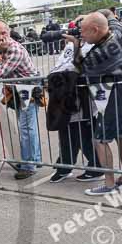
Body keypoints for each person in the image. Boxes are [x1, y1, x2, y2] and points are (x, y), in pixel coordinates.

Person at [68, 12, 122, 196]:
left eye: (83, 31)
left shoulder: (101, 53)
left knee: (100, 139)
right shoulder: (118, 29)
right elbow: (108, 13)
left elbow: (79, 67)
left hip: (114, 94)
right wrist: (84, 17)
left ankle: (109, 184)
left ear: (95, 29)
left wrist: (76, 45)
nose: (81, 34)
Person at [0, 20, 41, 180]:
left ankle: (29, 165)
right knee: (26, 127)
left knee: (27, 128)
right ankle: (33, 159)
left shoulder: (14, 49)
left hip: (29, 90)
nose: (0, 37)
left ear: (8, 32)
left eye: (3, 33)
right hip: (16, 91)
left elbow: (0, 74)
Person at [45, 40, 104, 183]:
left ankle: (96, 167)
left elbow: (81, 67)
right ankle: (64, 167)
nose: (80, 31)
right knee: (65, 134)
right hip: (64, 96)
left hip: (83, 98)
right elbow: (60, 65)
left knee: (85, 136)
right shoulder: (71, 45)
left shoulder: (95, 45)